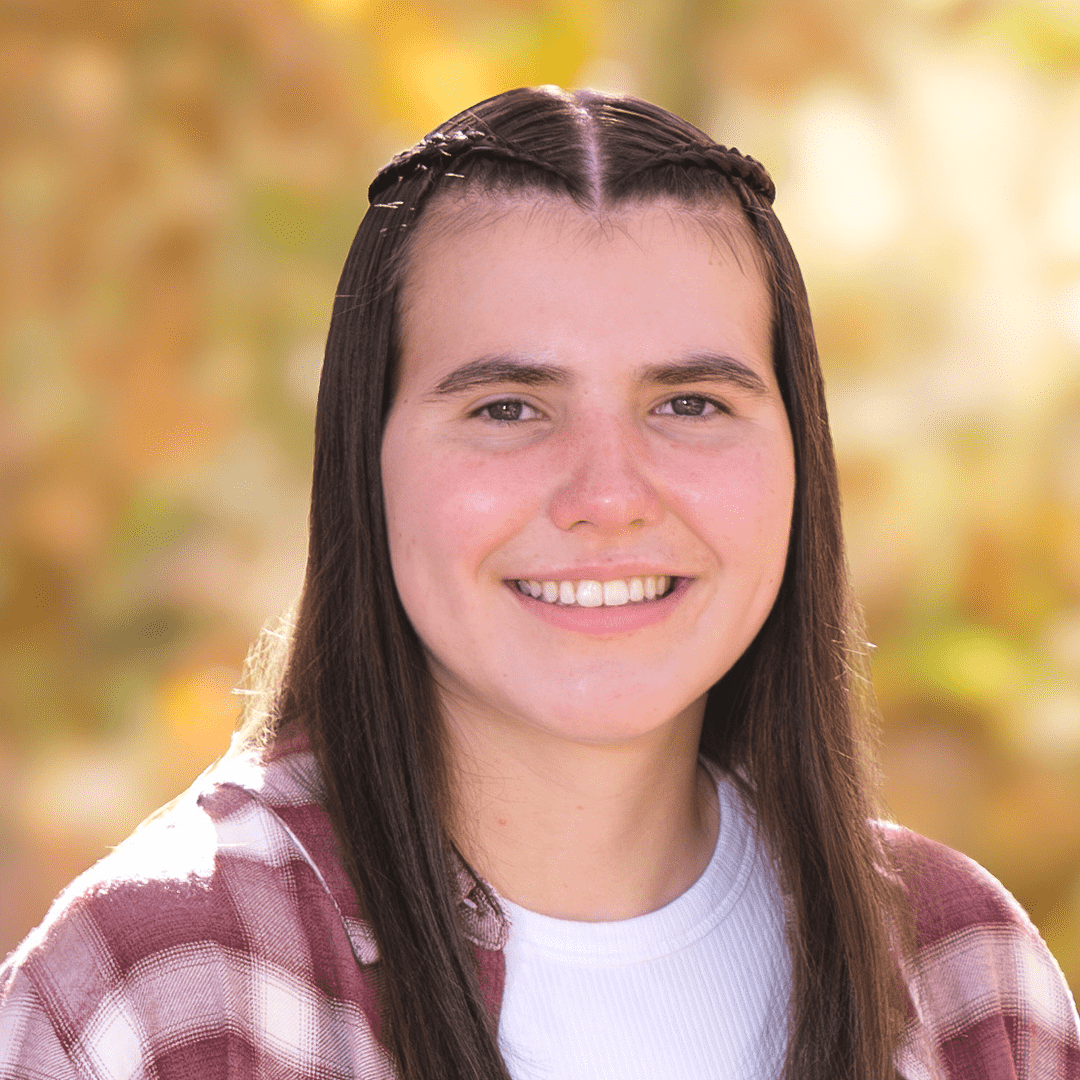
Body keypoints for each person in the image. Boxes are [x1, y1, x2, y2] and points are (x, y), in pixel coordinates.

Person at [1, 85, 1077, 1080]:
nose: (609, 497)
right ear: (364, 465)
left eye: (691, 403)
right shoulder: (156, 991)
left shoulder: (966, 975)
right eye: (508, 408)